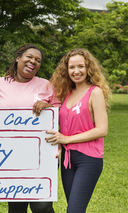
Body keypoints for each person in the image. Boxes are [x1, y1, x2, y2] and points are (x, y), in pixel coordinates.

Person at [0, 44, 61, 213]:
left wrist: (48, 106)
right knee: (16, 206)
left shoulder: (47, 86)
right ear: (18, 58)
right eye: (29, 57)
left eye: (38, 60)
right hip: (9, 154)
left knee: (41, 205)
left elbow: (60, 114)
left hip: (43, 153)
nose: (33, 61)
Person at [47, 48, 111, 213]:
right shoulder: (67, 92)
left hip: (88, 159)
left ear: (88, 68)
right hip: (68, 160)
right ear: (66, 70)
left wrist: (66, 139)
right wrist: (60, 145)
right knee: (75, 209)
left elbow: (102, 129)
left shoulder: (94, 92)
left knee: (74, 210)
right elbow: (64, 126)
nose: (76, 71)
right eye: (71, 67)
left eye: (80, 66)